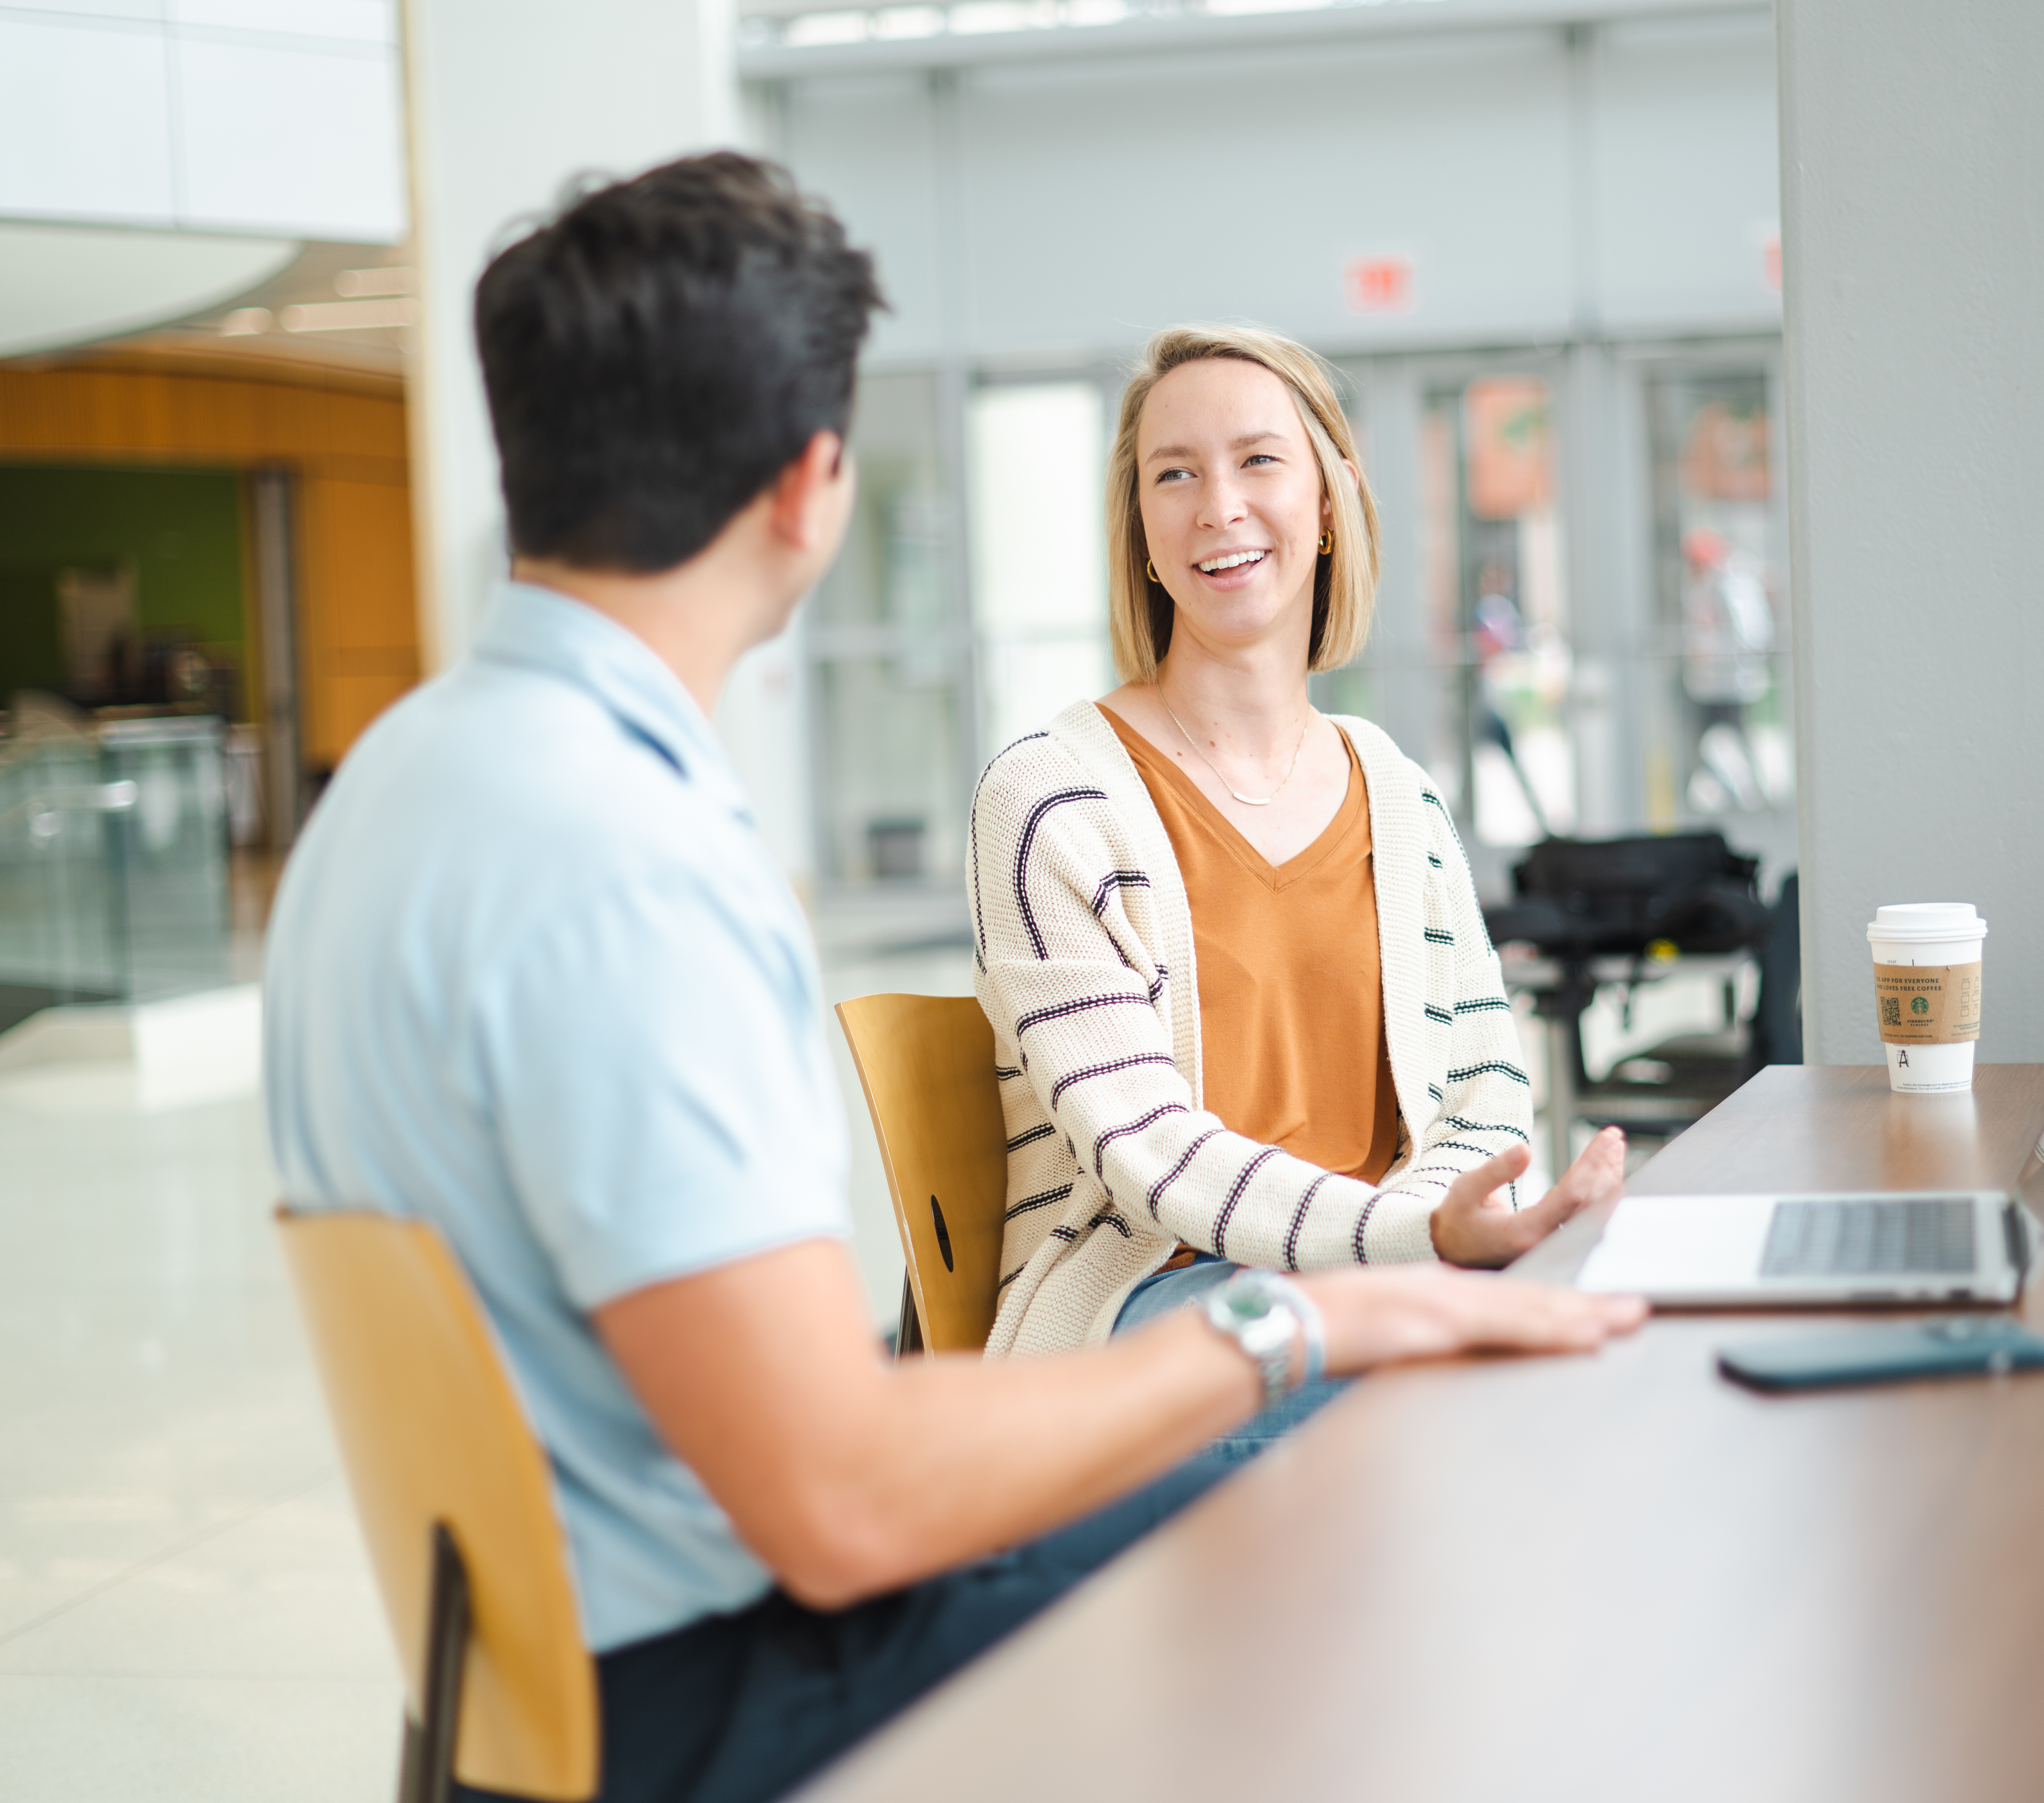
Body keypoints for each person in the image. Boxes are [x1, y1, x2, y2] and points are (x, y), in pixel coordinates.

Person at [263, 158, 1647, 1803]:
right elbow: (838, 1499)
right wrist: (1301, 1322)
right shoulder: (629, 864)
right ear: (810, 481)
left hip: (539, 1682)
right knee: (1367, 1549)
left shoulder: (398, 788)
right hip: (717, 1698)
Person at [969, 324, 1630, 1455]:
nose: (1218, 506)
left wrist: (1441, 1237)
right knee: (1476, 1412)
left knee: (1608, 1359)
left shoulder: (1398, 793)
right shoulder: (1051, 798)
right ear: (1141, 531)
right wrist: (1416, 1246)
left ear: (1330, 500)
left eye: (1258, 460)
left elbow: (1482, 1089)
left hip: (1384, 1289)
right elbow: (1152, 1156)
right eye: (1173, 474)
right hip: (1154, 1317)